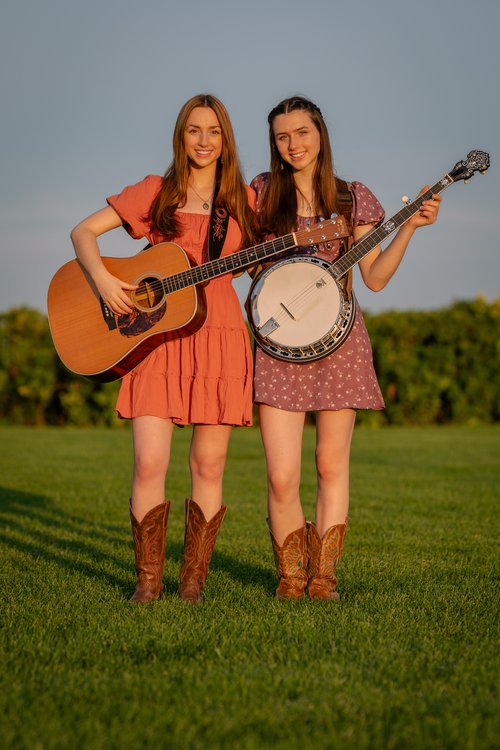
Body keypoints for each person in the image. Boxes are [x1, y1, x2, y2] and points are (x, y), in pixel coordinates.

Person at [249, 95, 441, 600]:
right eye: (282, 136)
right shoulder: (262, 194)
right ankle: (290, 576)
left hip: (341, 345)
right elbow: (244, 264)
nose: (293, 145)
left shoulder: (352, 198)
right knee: (281, 473)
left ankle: (323, 578)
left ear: (321, 134)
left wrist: (410, 230)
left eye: (302, 133)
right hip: (279, 346)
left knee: (331, 466)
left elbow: (374, 277)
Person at [70, 94, 257, 604]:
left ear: (226, 140)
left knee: (209, 465)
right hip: (156, 337)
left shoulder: (241, 199)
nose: (203, 141)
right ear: (181, 136)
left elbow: (266, 264)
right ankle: (148, 581)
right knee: (149, 464)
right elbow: (83, 232)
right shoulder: (156, 191)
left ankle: (192, 582)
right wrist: (106, 280)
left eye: (214, 132)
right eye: (194, 130)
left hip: (219, 335)